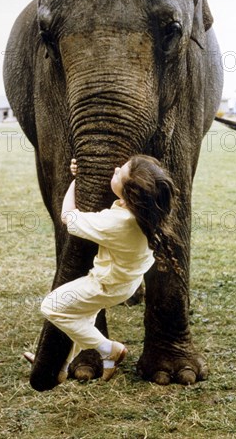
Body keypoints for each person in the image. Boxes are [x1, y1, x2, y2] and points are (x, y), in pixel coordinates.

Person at [34, 155, 179, 383]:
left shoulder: (117, 222)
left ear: (130, 192)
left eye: (119, 173)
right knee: (82, 320)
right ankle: (63, 366)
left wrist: (75, 182)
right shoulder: (149, 215)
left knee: (51, 306)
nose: (116, 168)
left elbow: (68, 218)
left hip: (103, 285)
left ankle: (109, 349)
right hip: (125, 285)